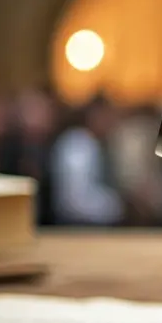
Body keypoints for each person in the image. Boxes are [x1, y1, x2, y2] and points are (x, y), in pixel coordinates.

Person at [48, 94, 125, 226]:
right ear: (94, 116)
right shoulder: (77, 145)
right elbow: (74, 201)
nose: (112, 122)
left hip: (90, 222)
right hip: (77, 226)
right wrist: (116, 206)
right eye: (108, 116)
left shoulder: (95, 143)